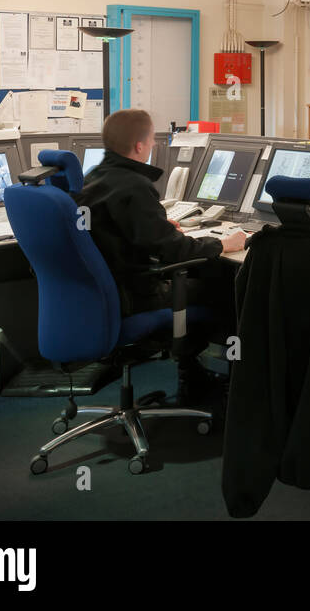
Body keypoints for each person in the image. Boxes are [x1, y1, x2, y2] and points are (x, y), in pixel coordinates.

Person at [75, 109, 246, 399]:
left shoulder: (94, 178)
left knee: (207, 275)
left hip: (107, 293)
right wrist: (223, 244)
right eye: (152, 141)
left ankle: (193, 373)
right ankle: (209, 380)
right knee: (228, 287)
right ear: (139, 146)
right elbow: (175, 251)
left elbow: (116, 230)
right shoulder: (134, 185)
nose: (153, 146)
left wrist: (156, 226)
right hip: (137, 296)